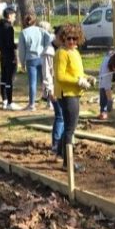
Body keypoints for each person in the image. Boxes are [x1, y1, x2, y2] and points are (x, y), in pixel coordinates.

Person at [54, 24, 95, 169]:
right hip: (67, 94)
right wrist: (78, 81)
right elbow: (60, 76)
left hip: (75, 93)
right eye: (69, 38)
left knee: (68, 126)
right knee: (70, 128)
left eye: (74, 39)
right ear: (63, 38)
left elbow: (78, 73)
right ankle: (68, 163)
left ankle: (59, 152)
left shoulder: (75, 52)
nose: (72, 41)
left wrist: (87, 78)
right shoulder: (62, 53)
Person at [18, 15, 51, 111]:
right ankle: (50, 103)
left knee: (32, 82)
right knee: (45, 80)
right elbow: (49, 39)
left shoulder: (23, 33)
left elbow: (21, 50)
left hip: (30, 59)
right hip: (42, 57)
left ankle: (32, 105)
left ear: (24, 22)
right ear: (35, 21)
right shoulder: (41, 30)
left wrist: (22, 63)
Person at [42, 25, 64, 155]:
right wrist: (50, 90)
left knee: (63, 116)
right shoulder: (49, 51)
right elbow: (46, 73)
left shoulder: (63, 49)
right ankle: (56, 143)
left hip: (64, 88)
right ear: (56, 36)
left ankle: (61, 143)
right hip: (54, 88)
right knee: (60, 115)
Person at [0, 7, 19, 110]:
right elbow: (9, 44)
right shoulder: (8, 28)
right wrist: (16, 45)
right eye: (14, 15)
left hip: (2, 54)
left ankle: (4, 100)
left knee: (3, 77)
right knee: (10, 79)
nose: (15, 17)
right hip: (9, 55)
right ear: (9, 16)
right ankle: (10, 102)